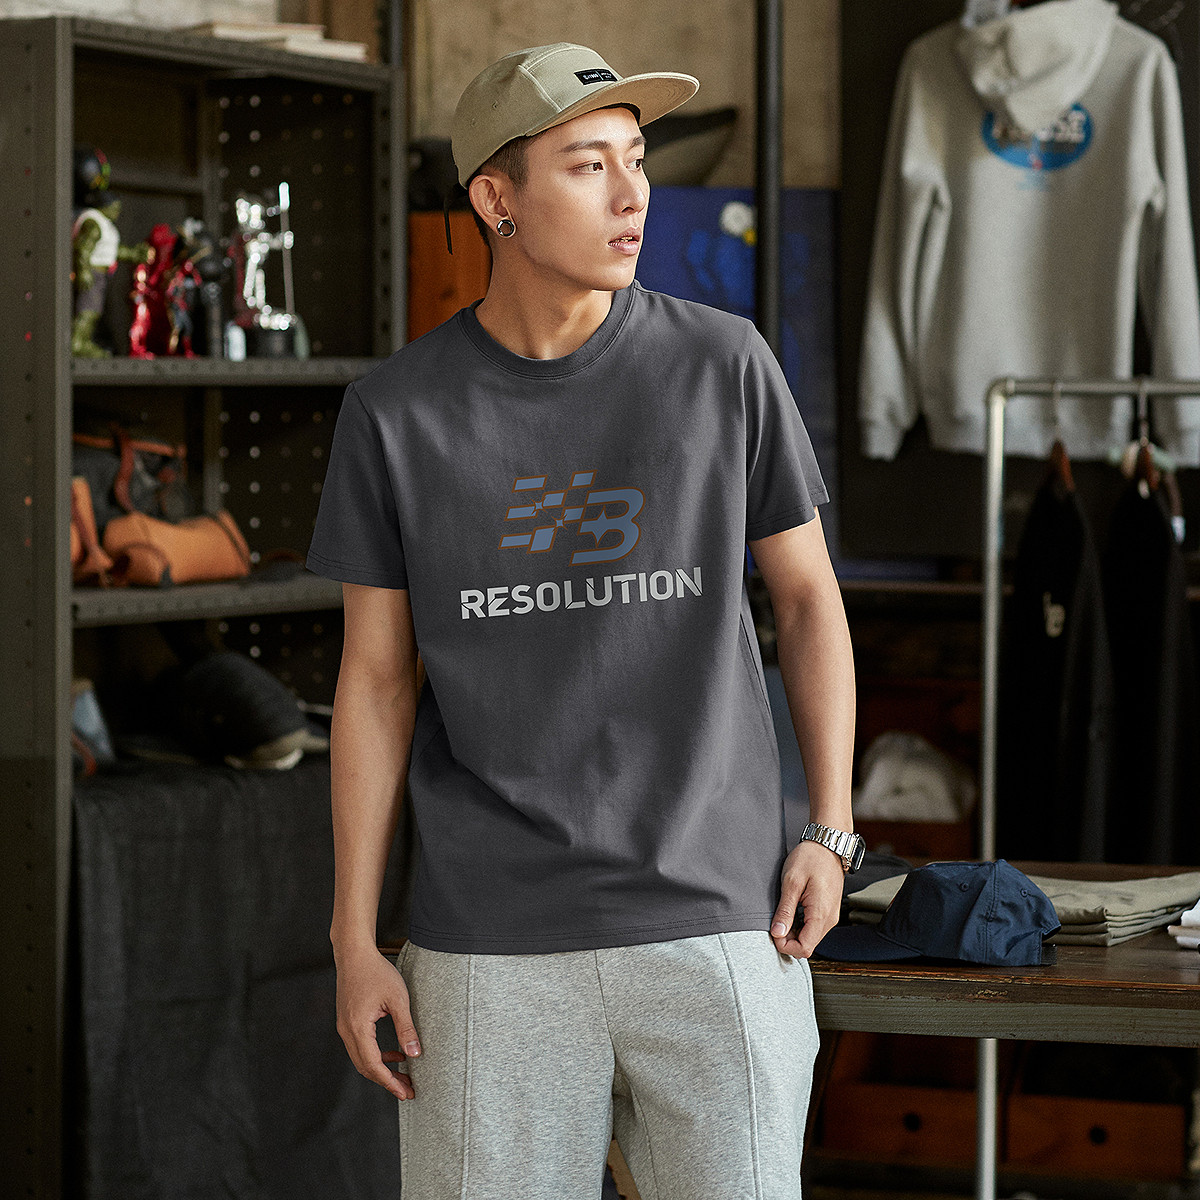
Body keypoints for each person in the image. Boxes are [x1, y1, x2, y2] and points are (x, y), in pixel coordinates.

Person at [304, 41, 859, 1200]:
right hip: (487, 949)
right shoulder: (395, 415)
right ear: (495, 199)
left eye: (636, 160)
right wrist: (356, 938)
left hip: (720, 925)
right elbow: (376, 681)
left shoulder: (724, 366)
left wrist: (832, 826)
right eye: (587, 163)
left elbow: (809, 600)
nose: (631, 194)